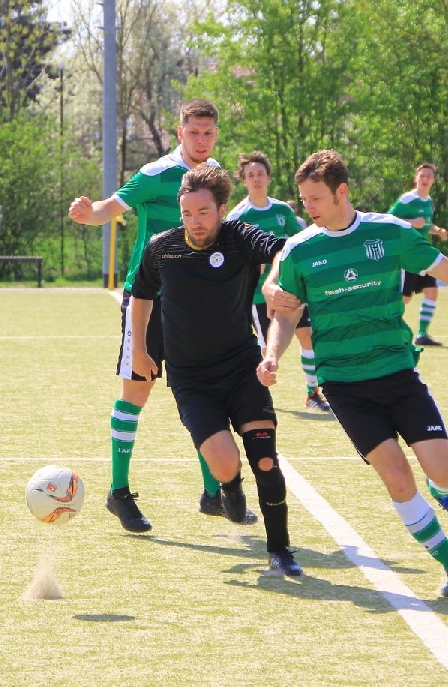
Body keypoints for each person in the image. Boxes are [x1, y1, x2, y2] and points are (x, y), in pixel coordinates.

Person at [258, 149, 448, 597]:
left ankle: (443, 491)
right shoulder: (300, 249)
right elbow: (287, 313)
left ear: (341, 192)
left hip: (398, 374)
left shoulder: (389, 232)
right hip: (344, 385)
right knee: (396, 475)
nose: (307, 207)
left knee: (446, 472)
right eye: (304, 198)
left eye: (315, 198)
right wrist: (273, 354)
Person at [68, 99, 257, 531]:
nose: (202, 140)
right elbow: (110, 207)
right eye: (194, 132)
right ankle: (118, 493)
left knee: (206, 393)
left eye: (209, 133)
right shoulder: (157, 173)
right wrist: (87, 214)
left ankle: (212, 494)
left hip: (197, 305)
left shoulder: (215, 177)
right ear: (180, 133)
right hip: (148, 301)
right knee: (137, 392)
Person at [130, 163, 302, 576]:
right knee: (225, 463)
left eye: (203, 212)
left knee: (265, 461)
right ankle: (229, 488)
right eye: (187, 213)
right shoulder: (162, 248)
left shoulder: (239, 236)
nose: (195, 221)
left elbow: (283, 250)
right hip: (191, 380)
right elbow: (141, 294)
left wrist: (272, 282)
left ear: (222, 209)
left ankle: (280, 550)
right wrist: (138, 349)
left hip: (242, 368)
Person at [227, 151, 330, 411]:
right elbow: (229, 255)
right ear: (244, 180)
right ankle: (257, 398)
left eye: (260, 174)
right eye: (251, 175)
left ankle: (312, 394)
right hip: (259, 294)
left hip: (292, 289)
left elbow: (301, 241)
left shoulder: (282, 210)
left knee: (308, 337)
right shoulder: (238, 217)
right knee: (268, 350)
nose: (256, 179)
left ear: (268, 178)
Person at [388, 162, 448, 347]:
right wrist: (412, 222)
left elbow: (425, 225)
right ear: (416, 178)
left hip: (424, 253)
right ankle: (386, 328)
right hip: (408, 255)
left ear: (434, 180)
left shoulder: (428, 201)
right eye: (422, 175)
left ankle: (422, 334)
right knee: (405, 298)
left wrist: (437, 230)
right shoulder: (407, 199)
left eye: (429, 176)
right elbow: (389, 219)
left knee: (432, 291)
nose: (425, 179)